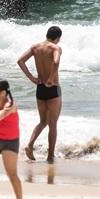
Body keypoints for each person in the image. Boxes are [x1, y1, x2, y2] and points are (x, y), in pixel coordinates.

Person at [17, 26, 62, 163]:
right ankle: (50, 156)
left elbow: (20, 61)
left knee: (43, 121)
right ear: (58, 38)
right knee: (52, 124)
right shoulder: (55, 48)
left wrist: (31, 78)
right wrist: (51, 78)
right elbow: (56, 61)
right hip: (53, 88)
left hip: (40, 88)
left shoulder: (35, 47)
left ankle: (30, 145)